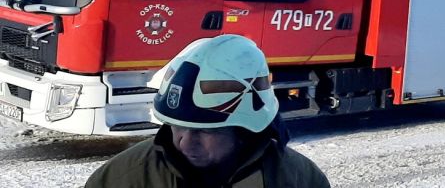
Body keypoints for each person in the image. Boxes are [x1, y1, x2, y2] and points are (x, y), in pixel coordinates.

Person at [86, 34, 330, 188]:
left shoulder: (298, 179)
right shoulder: (125, 178)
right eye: (177, 126)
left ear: (244, 131)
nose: (185, 142)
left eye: (203, 131)